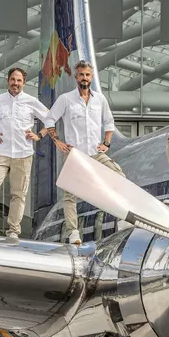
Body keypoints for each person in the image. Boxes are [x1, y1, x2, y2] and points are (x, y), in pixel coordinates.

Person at [46, 60, 127, 246]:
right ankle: (73, 232)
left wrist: (106, 142)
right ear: (76, 77)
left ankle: (122, 218)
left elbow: (109, 122)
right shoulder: (66, 99)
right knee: (70, 194)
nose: (84, 78)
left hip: (95, 152)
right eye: (81, 74)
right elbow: (49, 119)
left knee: (119, 177)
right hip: (75, 154)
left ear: (92, 77)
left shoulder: (100, 99)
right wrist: (57, 141)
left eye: (88, 75)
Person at [0, 67, 48, 239]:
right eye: (13, 79)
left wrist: (39, 135)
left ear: (24, 83)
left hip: (23, 154)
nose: (16, 83)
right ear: (8, 80)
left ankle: (13, 231)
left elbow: (50, 119)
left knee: (18, 194)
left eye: (19, 80)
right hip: (1, 152)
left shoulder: (31, 101)